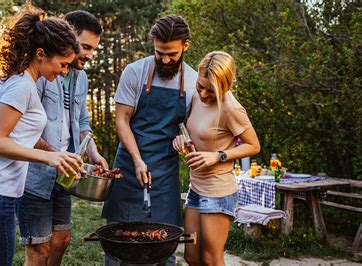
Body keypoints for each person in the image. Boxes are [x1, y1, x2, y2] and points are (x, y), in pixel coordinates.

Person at [0, 4, 83, 266]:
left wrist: (55, 153)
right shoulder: (22, 86)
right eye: (62, 64)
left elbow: (18, 133)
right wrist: (49, 160)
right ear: (40, 54)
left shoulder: (11, 78)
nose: (64, 71)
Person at [102, 15, 197, 266]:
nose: (165, 59)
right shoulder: (134, 72)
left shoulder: (195, 83)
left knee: (164, 244)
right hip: (129, 168)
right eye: (159, 53)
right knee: (117, 243)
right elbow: (122, 120)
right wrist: (137, 160)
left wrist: (183, 139)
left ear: (185, 46)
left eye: (172, 54)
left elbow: (192, 128)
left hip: (165, 174)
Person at [16, 10, 107, 266]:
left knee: (62, 240)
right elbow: (23, 129)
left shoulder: (82, 77)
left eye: (94, 49)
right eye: (85, 47)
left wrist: (93, 152)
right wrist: (53, 157)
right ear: (68, 39)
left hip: (65, 174)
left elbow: (82, 123)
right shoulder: (42, 74)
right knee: (39, 250)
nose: (89, 55)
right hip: (34, 176)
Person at [172, 51, 260, 265]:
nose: (203, 94)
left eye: (210, 90)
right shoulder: (195, 96)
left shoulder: (232, 109)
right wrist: (181, 139)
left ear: (225, 85)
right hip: (196, 189)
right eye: (200, 86)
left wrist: (218, 156)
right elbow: (194, 130)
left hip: (218, 191)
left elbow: (253, 145)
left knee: (211, 259)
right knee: (191, 256)